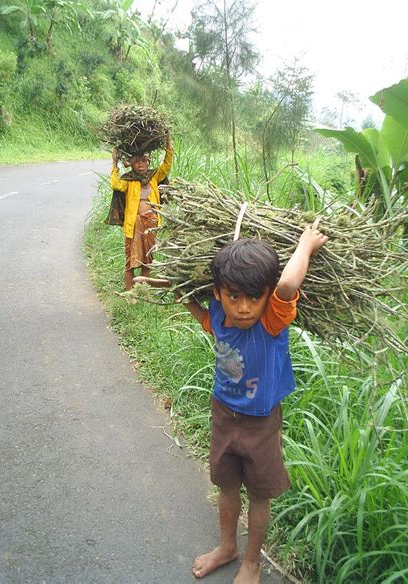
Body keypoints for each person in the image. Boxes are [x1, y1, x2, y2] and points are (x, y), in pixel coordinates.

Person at [182, 221, 328, 583]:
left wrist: (305, 246)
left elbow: (288, 284)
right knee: (227, 486)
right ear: (217, 293)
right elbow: (203, 316)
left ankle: (253, 562)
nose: (244, 308)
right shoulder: (219, 315)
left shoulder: (272, 321)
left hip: (261, 423)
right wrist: (181, 291)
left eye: (254, 297)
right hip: (223, 415)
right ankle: (227, 547)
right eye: (234, 296)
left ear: (266, 297)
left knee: (260, 496)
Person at [110, 133, 173, 291]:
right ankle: (130, 293)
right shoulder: (128, 180)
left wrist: (168, 144)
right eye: (137, 161)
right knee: (130, 262)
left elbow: (166, 165)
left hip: (151, 224)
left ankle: (143, 292)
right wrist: (114, 163)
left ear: (148, 162)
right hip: (133, 226)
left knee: (147, 260)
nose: (140, 165)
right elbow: (115, 184)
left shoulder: (154, 176)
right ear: (131, 163)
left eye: (144, 161)